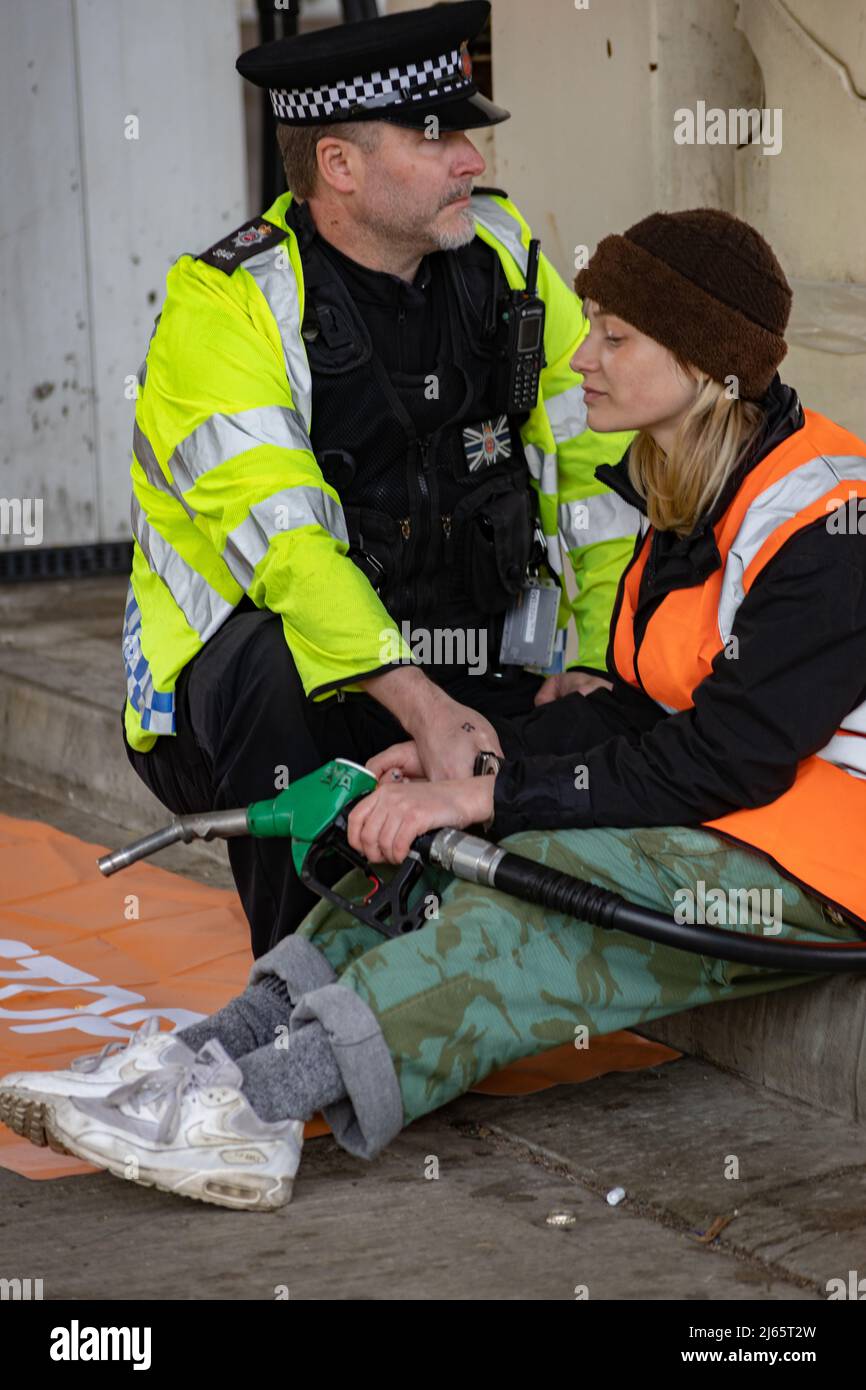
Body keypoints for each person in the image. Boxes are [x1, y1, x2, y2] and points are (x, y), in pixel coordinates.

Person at [6, 206, 865, 1212]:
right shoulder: (681, 488)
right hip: (735, 810)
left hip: (816, 858)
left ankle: (252, 1112)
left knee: (522, 895)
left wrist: (484, 802)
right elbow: (637, 713)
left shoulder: (822, 515)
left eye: (613, 336)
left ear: (703, 363)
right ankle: (203, 1056)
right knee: (417, 858)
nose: (579, 355)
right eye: (585, 323)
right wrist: (471, 764)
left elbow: (726, 758)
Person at [119, 0, 637, 959]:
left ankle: (469, 949)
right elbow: (288, 553)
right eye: (438, 139)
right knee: (271, 663)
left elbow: (600, 476)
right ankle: (299, 988)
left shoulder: (505, 259)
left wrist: (600, 658)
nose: (473, 162)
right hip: (288, 698)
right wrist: (426, 707)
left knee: (642, 692)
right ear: (339, 166)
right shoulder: (227, 306)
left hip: (478, 657)